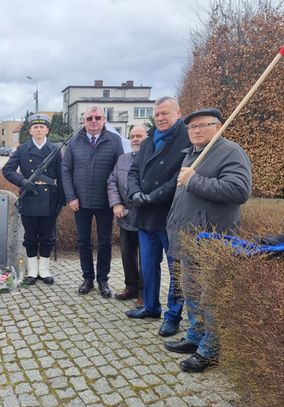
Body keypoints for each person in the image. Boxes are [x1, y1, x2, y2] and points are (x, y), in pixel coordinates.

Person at [164, 108, 252, 372]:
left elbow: (239, 190)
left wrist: (194, 180)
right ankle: (195, 337)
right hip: (186, 239)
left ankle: (210, 351)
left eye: (203, 125)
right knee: (191, 294)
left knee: (210, 298)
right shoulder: (190, 154)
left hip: (211, 242)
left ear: (219, 126)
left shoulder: (230, 151)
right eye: (192, 127)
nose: (197, 130)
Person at [126, 96, 191, 337]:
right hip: (145, 214)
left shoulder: (186, 139)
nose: (161, 118)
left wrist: (152, 197)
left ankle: (173, 315)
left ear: (178, 113)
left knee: (176, 268)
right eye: (157, 115)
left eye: (165, 113)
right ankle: (151, 306)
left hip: (169, 214)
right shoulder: (148, 140)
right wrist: (134, 193)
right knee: (149, 265)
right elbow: (133, 171)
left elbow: (179, 177)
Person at [62, 106, 124, 297]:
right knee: (83, 241)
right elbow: (65, 170)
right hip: (80, 202)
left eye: (97, 117)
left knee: (105, 242)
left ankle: (103, 280)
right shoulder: (74, 141)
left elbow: (120, 170)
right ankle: (87, 278)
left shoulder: (114, 140)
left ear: (104, 119)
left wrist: (117, 201)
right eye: (90, 118)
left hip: (106, 202)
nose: (94, 121)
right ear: (84, 121)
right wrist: (71, 197)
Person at [2, 114, 65, 284]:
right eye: (35, 127)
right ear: (30, 130)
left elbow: (62, 175)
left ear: (47, 130)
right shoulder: (22, 149)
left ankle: (44, 271)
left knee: (47, 236)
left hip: (49, 199)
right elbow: (7, 170)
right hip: (29, 198)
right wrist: (22, 181)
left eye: (42, 127)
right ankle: (32, 271)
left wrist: (62, 199)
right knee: (30, 237)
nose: (38, 130)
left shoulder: (55, 150)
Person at [107, 125, 147, 305]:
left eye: (139, 135)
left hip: (146, 217)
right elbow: (112, 182)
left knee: (146, 257)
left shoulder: (152, 159)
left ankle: (145, 293)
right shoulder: (122, 159)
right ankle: (130, 287)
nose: (135, 139)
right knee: (127, 254)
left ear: (148, 137)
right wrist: (116, 203)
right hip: (124, 217)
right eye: (132, 136)